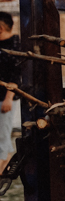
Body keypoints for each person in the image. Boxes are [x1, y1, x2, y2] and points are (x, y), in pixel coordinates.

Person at [0, 12, 22, 172]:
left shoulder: (15, 45)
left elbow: (16, 73)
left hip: (5, 98)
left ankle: (3, 163)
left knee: (2, 133)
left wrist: (9, 98)